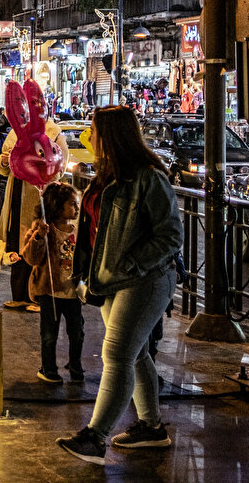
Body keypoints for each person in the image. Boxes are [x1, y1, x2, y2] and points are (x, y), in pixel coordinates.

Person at [56, 106, 182, 466]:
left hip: (144, 280)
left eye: (93, 131)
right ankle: (151, 427)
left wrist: (131, 263)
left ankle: (95, 437)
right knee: (135, 353)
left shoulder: (146, 177)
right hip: (110, 280)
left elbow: (170, 235)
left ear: (110, 136)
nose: (89, 137)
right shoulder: (106, 176)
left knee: (117, 354)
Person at [0, 88, 67, 311]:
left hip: (39, 196)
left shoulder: (53, 131)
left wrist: (39, 165)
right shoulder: (15, 132)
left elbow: (60, 166)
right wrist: (5, 162)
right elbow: (2, 163)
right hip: (16, 193)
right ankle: (19, 295)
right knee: (16, 242)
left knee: (38, 244)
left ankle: (37, 296)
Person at [25, 182, 85, 385]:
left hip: (73, 292)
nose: (76, 209)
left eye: (77, 205)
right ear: (57, 206)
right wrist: (39, 237)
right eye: (72, 204)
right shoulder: (42, 228)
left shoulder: (79, 231)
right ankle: (48, 369)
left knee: (77, 333)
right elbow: (32, 258)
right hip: (49, 290)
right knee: (49, 334)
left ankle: (75, 366)